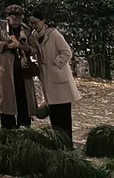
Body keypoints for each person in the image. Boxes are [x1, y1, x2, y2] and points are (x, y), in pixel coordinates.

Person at [30, 11, 80, 144]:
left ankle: (67, 143)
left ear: (43, 21)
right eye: (32, 23)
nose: (34, 25)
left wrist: (55, 64)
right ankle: (58, 142)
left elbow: (67, 52)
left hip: (60, 80)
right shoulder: (34, 36)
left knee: (63, 115)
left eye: (36, 22)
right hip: (46, 80)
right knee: (54, 116)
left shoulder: (54, 35)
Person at [0, 4, 40, 128]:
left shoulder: (26, 30)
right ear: (8, 18)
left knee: (24, 99)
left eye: (20, 18)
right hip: (5, 71)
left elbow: (34, 48)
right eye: (15, 19)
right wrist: (6, 45)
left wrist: (24, 47)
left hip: (23, 71)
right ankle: (8, 129)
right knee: (7, 100)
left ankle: (24, 126)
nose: (17, 21)